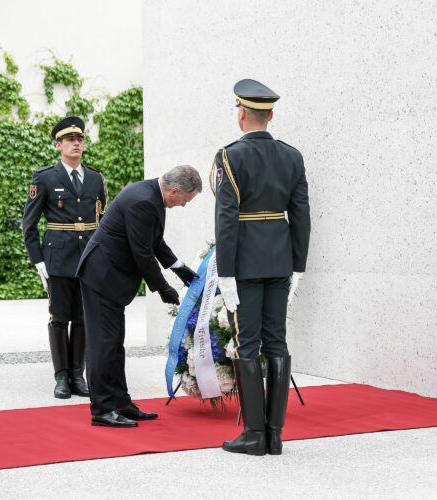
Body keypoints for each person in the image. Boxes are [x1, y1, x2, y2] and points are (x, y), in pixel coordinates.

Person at [213, 79, 311, 456]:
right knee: (278, 342)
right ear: (270, 115)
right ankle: (275, 435)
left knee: (248, 343)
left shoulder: (230, 156)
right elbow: (300, 215)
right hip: (280, 261)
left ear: (241, 114)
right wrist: (297, 265)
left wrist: (225, 272)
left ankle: (254, 434)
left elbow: (227, 218)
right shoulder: (292, 156)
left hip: (246, 266)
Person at [76, 165, 202, 427]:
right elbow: (142, 252)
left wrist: (179, 269)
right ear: (175, 190)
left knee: (114, 344)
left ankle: (120, 402)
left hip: (111, 277)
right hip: (102, 277)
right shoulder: (143, 201)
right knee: (103, 345)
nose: (183, 205)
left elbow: (155, 241)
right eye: (185, 200)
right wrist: (162, 288)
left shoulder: (152, 195)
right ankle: (102, 409)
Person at [23, 116, 107, 399]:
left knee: (82, 317)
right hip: (57, 258)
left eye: (80, 139)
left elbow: (103, 220)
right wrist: (38, 261)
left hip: (88, 258)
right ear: (59, 145)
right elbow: (29, 224)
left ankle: (77, 375)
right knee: (59, 317)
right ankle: (61, 377)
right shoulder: (45, 178)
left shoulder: (96, 178)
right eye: (70, 140)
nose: (76, 144)